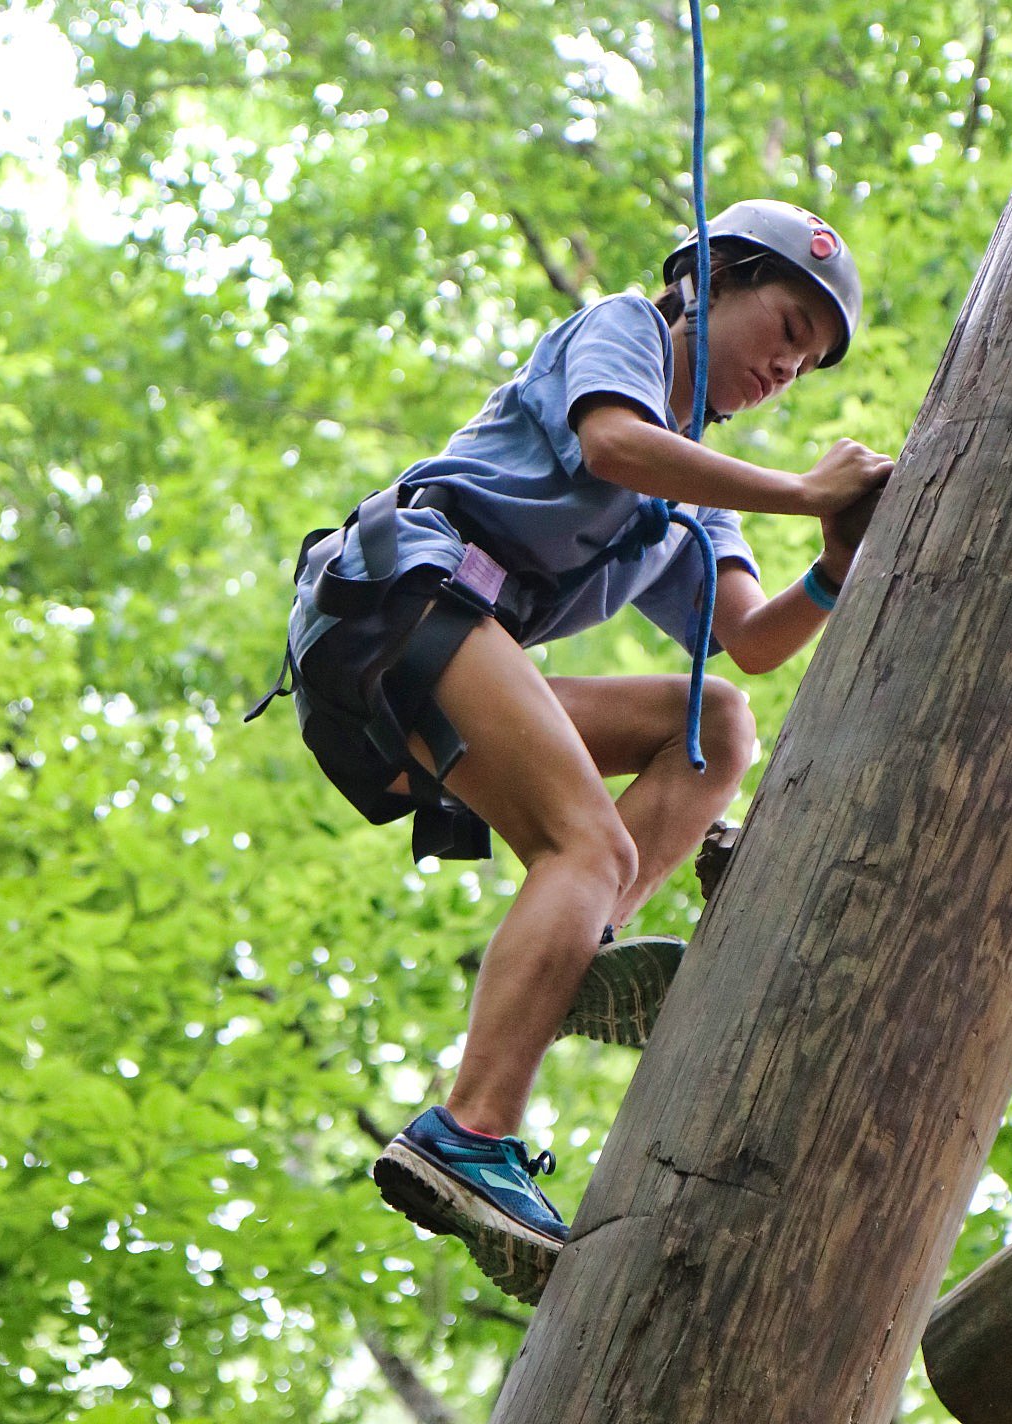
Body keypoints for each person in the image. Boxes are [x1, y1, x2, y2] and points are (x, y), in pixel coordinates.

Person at [247, 199, 893, 1304]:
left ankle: (582, 945)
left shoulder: (694, 499)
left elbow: (751, 639)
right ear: (709, 281)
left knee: (718, 723)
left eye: (811, 359)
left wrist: (832, 561)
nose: (790, 364)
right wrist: (801, 491)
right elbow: (608, 440)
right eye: (785, 325)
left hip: (444, 646)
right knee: (583, 844)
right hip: (401, 597)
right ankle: (469, 1127)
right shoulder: (627, 333)